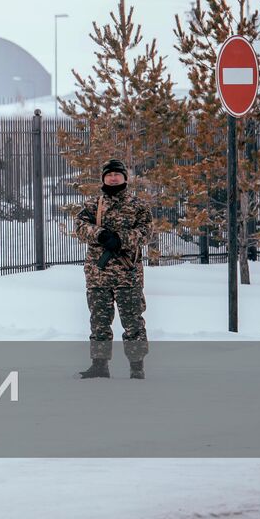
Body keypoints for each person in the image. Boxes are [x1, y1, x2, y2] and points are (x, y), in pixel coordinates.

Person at [73, 158, 151, 379]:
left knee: (133, 321)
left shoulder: (138, 206)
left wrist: (122, 239)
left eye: (117, 174)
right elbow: (80, 227)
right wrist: (100, 234)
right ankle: (99, 365)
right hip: (98, 275)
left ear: (125, 178)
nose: (113, 177)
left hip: (128, 275)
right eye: (109, 174)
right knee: (99, 321)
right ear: (103, 178)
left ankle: (137, 367)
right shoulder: (92, 205)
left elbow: (146, 232)